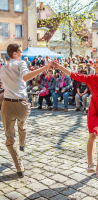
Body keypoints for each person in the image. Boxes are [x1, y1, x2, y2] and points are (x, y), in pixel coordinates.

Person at [0, 43, 52, 178]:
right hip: (21, 105)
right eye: (20, 52)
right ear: (15, 54)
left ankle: (19, 167)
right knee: (22, 124)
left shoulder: (3, 67)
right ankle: (22, 144)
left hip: (7, 105)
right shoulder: (20, 63)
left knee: (10, 137)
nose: (22, 54)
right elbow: (25, 77)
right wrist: (44, 68)